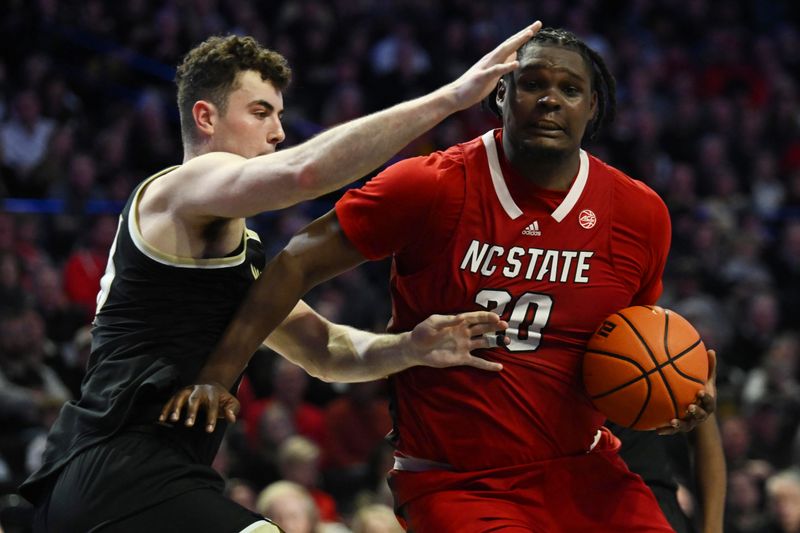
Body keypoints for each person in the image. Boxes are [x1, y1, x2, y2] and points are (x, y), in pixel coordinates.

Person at [163, 27, 720, 531]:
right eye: (531, 83)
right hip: (457, 480)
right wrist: (217, 373)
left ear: (592, 106)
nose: (550, 99)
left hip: (584, 470)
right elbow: (297, 260)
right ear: (500, 95)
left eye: (570, 89)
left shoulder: (639, 214)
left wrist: (666, 404)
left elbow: (635, 346)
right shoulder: (432, 185)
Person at [17, 23, 542, 532]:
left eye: (279, 114)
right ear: (205, 117)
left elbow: (326, 351)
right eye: (260, 112)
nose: (278, 132)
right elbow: (305, 172)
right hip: (121, 471)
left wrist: (412, 346)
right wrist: (450, 98)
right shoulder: (180, 187)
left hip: (128, 478)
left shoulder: (232, 250)